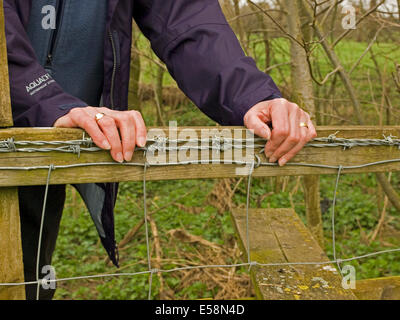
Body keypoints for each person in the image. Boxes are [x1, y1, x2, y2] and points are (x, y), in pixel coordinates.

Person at [4, 0, 317, 300]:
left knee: (24, 282)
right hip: (24, 135)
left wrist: (250, 95)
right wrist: (46, 101)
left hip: (46, 159)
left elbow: (185, 19)